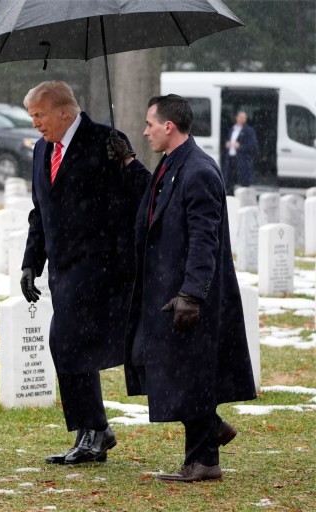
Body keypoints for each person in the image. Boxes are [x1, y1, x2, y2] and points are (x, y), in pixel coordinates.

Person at [126, 94, 257, 482]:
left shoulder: (199, 170)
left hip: (189, 293)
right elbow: (157, 201)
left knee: (189, 372)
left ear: (169, 126)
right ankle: (210, 429)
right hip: (168, 290)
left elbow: (205, 238)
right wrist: (130, 164)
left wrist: (193, 294)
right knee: (161, 364)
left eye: (150, 123)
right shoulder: (172, 163)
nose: (145, 130)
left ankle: (203, 461)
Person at [19, 81, 150, 465]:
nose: (35, 125)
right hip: (64, 268)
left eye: (39, 115)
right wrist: (31, 263)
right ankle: (93, 431)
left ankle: (95, 429)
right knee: (73, 346)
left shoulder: (106, 141)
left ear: (64, 111)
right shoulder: (43, 150)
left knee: (66, 340)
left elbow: (140, 196)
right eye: (32, 117)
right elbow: (39, 211)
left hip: (103, 265)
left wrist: (126, 162)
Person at [221, 110, 258, 193]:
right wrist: (227, 144)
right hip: (231, 158)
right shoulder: (232, 129)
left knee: (243, 181)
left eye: (244, 117)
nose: (242, 119)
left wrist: (240, 147)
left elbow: (253, 145)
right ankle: (230, 196)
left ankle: (243, 196)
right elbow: (228, 140)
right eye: (240, 117)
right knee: (229, 179)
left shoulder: (249, 131)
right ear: (236, 118)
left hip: (242, 160)